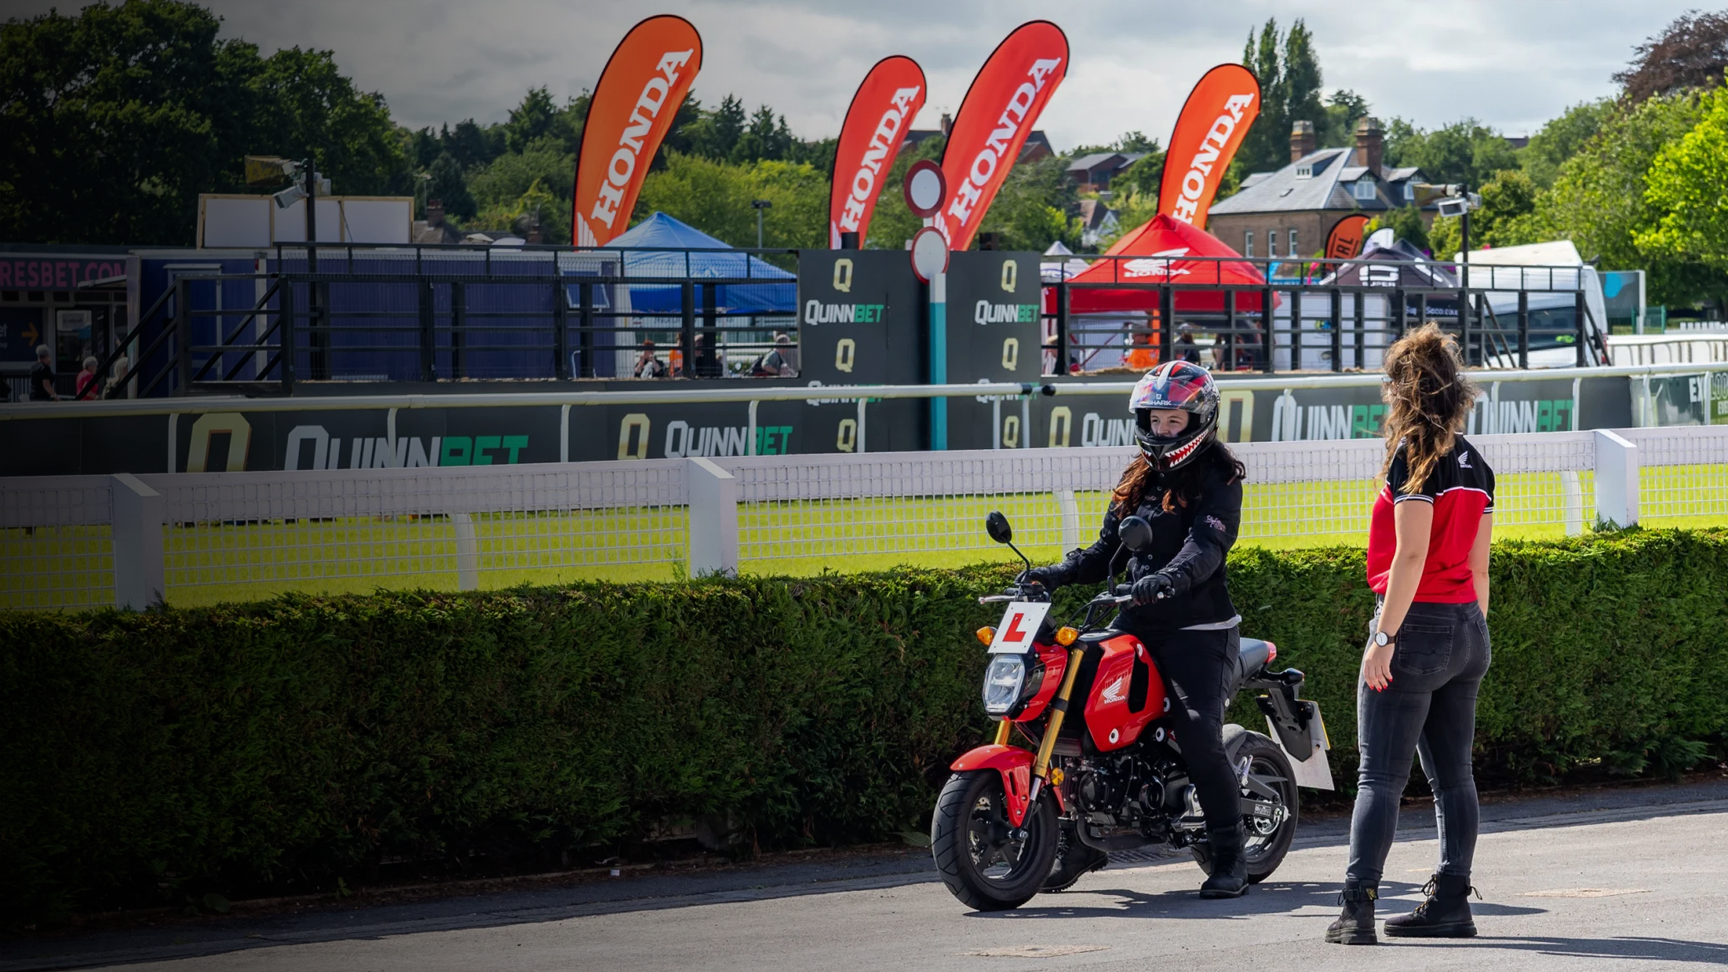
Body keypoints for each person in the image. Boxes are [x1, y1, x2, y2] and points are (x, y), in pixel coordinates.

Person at [1023, 360, 1252, 899]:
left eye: (1174, 420)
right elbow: (1106, 551)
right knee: (1074, 705)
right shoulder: (1137, 479)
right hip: (1136, 622)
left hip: (1199, 629)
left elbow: (1207, 546)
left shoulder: (1219, 478)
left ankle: (1229, 854)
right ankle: (1081, 838)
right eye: (1154, 419)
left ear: (1199, 419)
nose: (1162, 431)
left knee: (1197, 732)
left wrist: (1172, 577)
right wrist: (1053, 574)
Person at [1327, 323, 1495, 945]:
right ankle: (1452, 902)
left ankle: (1357, 908)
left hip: (1416, 624)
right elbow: (1479, 568)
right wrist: (1469, 632)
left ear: (1404, 389)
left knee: (1380, 778)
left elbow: (1410, 556)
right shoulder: (1477, 460)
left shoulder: (1413, 454)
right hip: (1466, 628)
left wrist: (1384, 637)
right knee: (1455, 778)